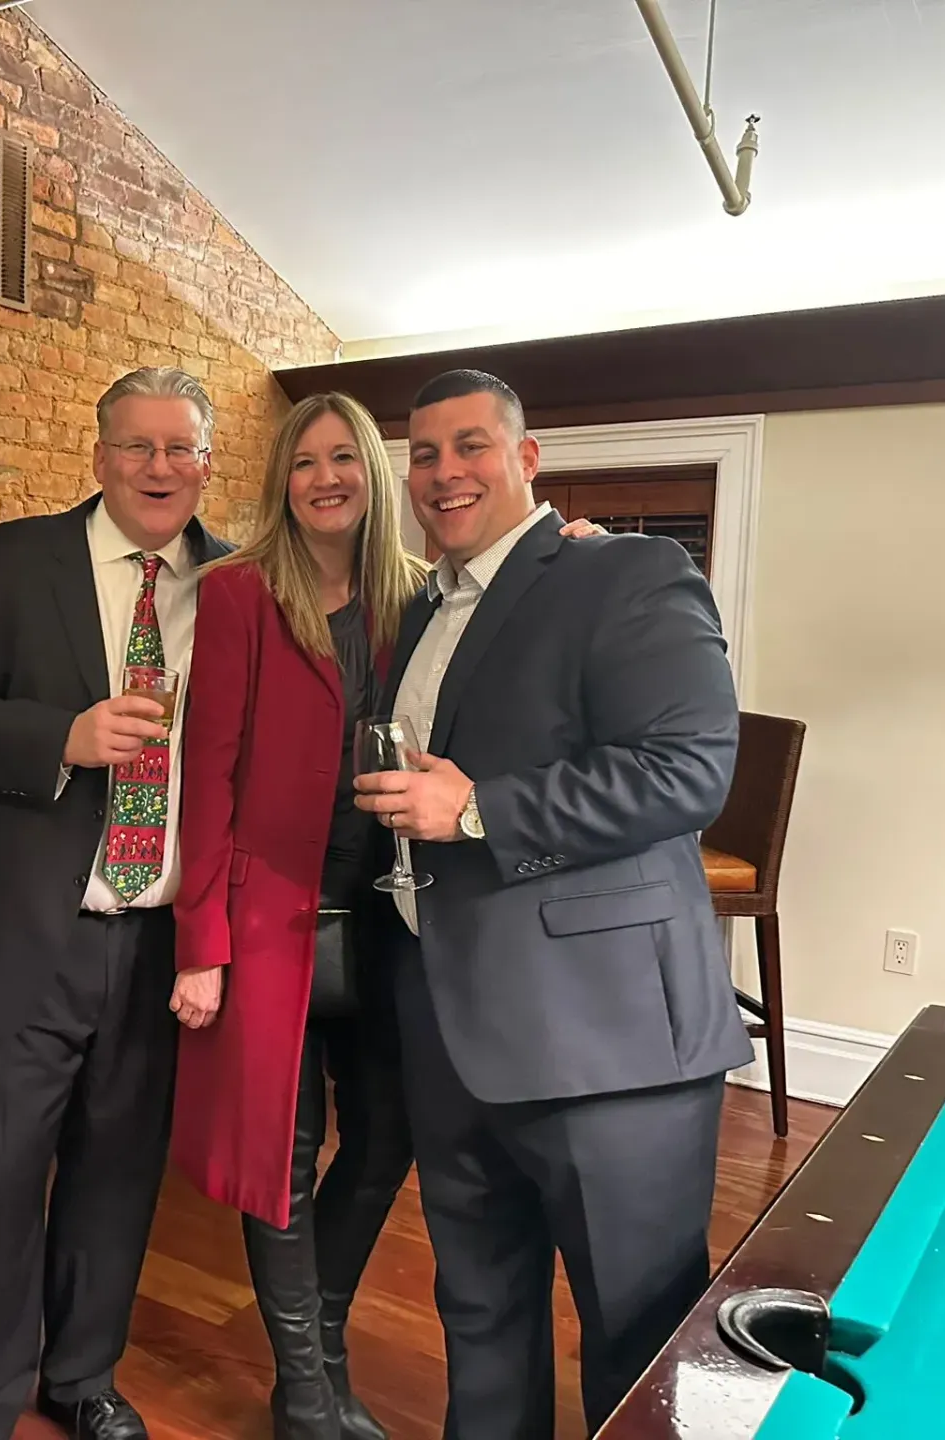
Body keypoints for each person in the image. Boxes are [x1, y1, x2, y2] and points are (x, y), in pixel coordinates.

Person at [169, 393, 603, 1440]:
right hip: (270, 915)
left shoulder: (420, 596)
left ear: (373, 475)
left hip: (393, 916)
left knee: (387, 1139)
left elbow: (519, 608)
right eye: (303, 461)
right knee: (282, 1150)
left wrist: (576, 553)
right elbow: (208, 773)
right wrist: (201, 947)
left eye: (345, 460)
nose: (325, 478)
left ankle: (311, 1331)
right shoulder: (236, 594)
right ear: (283, 480)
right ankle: (309, 1393)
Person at [353, 369, 750, 1438]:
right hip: (450, 1024)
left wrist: (478, 808)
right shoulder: (424, 608)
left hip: (606, 1043)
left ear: (527, 459)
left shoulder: (625, 572)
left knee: (642, 1336)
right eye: (424, 455)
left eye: (471, 446)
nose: (445, 473)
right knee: (480, 1316)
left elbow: (688, 771)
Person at [0, 366, 230, 1440]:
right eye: (135, 446)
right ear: (97, 456)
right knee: (4, 1173)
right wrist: (61, 736)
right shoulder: (1, 563)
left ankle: (82, 1377)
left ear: (205, 463)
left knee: (117, 1171)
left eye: (179, 448)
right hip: (19, 936)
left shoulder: (235, 586)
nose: (157, 467)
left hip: (158, 943)